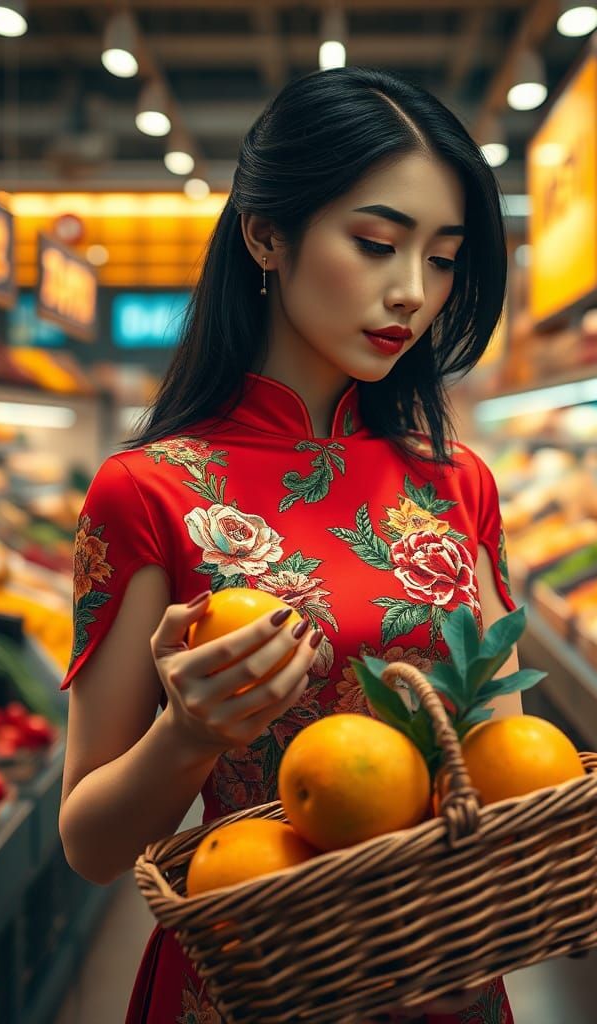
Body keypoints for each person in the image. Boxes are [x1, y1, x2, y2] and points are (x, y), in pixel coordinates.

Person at [59, 65, 519, 1024]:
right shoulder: (149, 491)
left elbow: (502, 756)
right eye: (377, 243)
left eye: (442, 258)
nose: (412, 293)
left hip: (445, 973)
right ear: (265, 234)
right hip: (251, 972)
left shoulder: (456, 482)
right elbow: (92, 846)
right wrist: (186, 738)